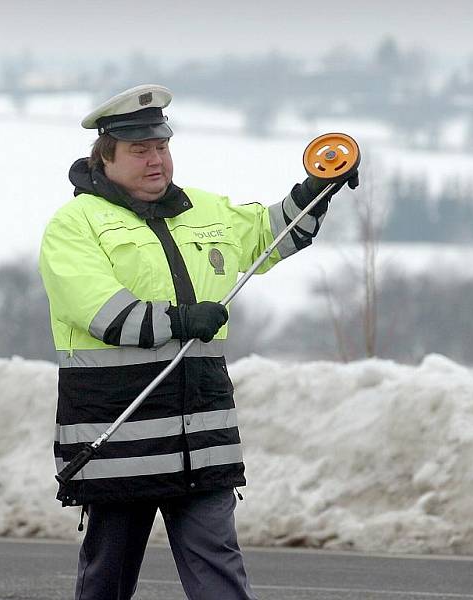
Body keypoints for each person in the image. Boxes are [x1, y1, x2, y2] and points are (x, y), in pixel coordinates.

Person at [39, 84, 358, 600]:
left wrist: (318, 188)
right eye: (140, 151)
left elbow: (273, 232)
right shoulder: (74, 226)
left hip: (201, 433)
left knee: (219, 569)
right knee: (108, 577)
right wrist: (184, 319)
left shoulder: (206, 209)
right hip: (121, 435)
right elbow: (103, 314)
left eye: (162, 147)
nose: (155, 160)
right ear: (106, 156)